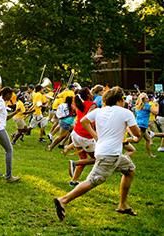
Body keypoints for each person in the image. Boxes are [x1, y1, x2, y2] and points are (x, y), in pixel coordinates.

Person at [54, 87, 141, 221]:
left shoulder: (99, 111)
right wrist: (135, 137)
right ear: (119, 100)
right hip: (110, 155)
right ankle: (63, 200)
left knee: (130, 170)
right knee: (92, 181)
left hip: (109, 153)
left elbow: (83, 121)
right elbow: (137, 134)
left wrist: (95, 136)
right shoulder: (126, 112)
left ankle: (123, 205)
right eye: (123, 99)